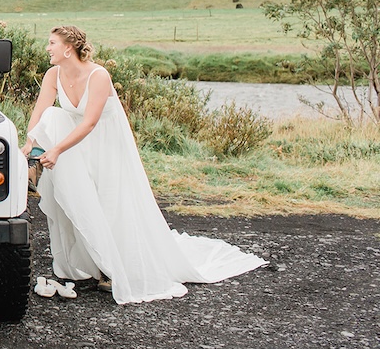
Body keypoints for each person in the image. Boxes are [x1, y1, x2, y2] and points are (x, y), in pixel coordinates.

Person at [21, 25, 267, 304]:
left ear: (68, 48)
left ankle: (113, 266)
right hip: (72, 142)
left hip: (106, 144)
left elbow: (90, 123)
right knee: (54, 120)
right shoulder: (53, 74)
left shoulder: (98, 76)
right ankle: (34, 165)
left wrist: (57, 149)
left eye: (51, 43)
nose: (47, 48)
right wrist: (30, 142)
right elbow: (40, 110)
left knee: (110, 202)